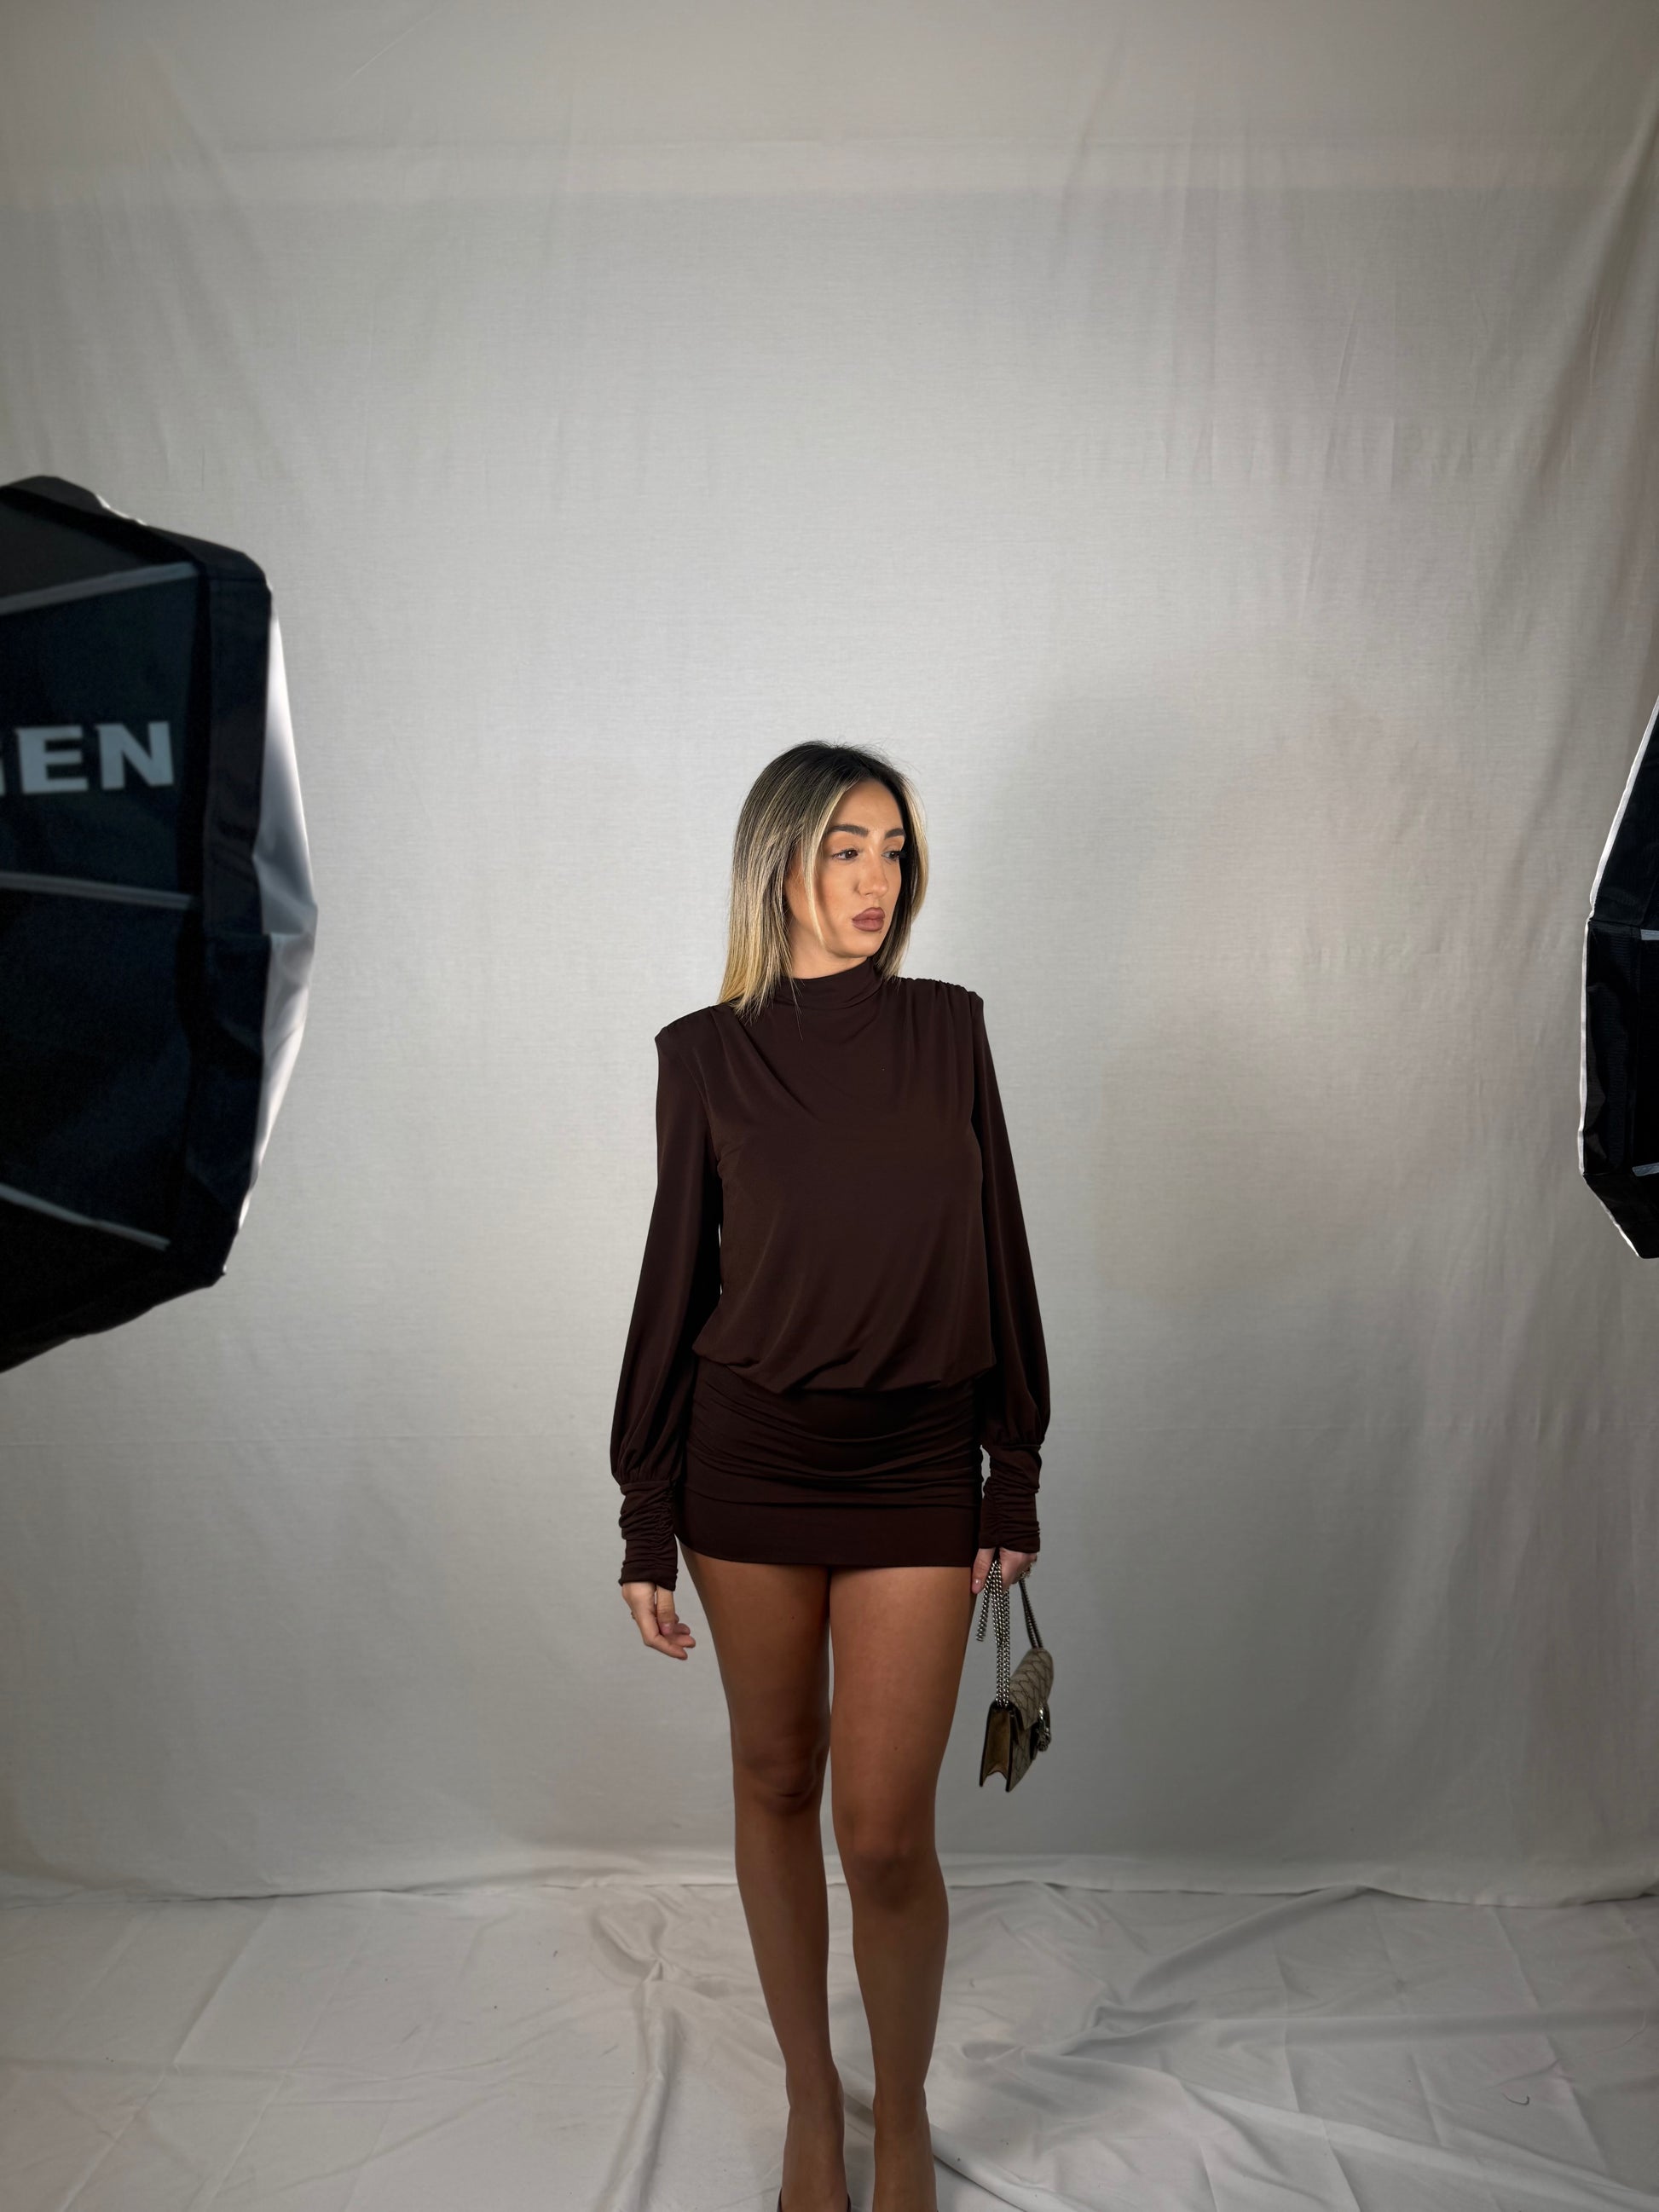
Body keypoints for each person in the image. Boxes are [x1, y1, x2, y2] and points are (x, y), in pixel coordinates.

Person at [610, 742, 1049, 2212]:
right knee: (776, 1775)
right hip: (747, 1462)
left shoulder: (946, 1029)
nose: (877, 880)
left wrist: (1011, 1469)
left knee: (883, 1830)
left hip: (916, 1461)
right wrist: (645, 1510)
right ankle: (812, 2101)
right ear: (779, 861)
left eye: (895, 850)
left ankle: (900, 2116)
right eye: (846, 847)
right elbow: (674, 1283)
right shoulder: (703, 1054)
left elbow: (1000, 1249)